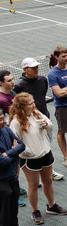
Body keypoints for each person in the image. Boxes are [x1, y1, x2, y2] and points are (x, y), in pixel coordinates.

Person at [8, 93, 67, 225]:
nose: (33, 105)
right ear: (22, 107)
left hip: (45, 153)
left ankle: (51, 206)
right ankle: (35, 211)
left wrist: (46, 124)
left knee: (48, 181)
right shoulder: (15, 123)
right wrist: (28, 152)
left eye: (33, 102)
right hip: (30, 159)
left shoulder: (37, 113)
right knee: (33, 185)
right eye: (30, 103)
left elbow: (51, 126)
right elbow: (15, 144)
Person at [15, 58, 65, 181]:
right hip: (28, 123)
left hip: (43, 119)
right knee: (32, 149)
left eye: (36, 67)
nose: (36, 69)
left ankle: (49, 171)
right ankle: (34, 176)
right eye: (33, 68)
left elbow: (42, 97)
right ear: (25, 69)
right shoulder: (19, 86)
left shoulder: (43, 80)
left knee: (46, 145)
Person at [0, 109, 33, 226]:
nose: (3, 121)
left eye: (3, 117)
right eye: (0, 119)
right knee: (3, 211)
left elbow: (21, 145)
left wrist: (9, 153)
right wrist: (13, 153)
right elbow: (2, 162)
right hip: (1, 181)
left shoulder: (6, 130)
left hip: (12, 176)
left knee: (13, 206)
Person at [0, 70, 26, 207]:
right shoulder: (2, 99)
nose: (12, 82)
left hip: (15, 131)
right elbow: (19, 111)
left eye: (12, 79)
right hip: (8, 132)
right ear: (1, 83)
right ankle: (15, 192)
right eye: (9, 80)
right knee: (12, 162)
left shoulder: (12, 92)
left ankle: (17, 185)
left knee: (17, 162)